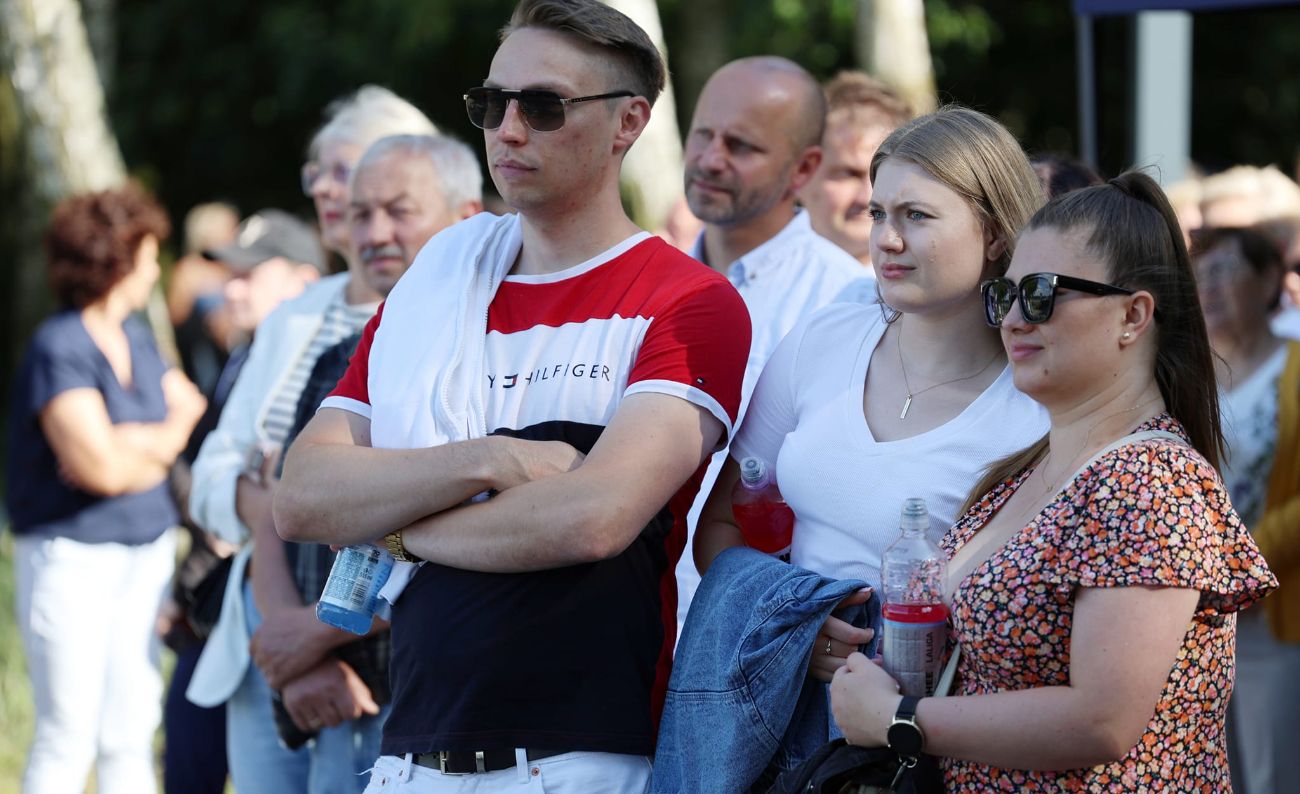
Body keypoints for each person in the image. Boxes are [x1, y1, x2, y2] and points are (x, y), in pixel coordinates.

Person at [274, 1, 750, 790]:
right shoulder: (437, 282)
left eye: (544, 105)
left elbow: (593, 520)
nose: (509, 130)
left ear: (629, 121)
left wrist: (393, 529)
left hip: (581, 757)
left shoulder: (688, 301)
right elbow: (301, 497)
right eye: (492, 104)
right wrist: (491, 461)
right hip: (408, 755)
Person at [830, 172, 1278, 791]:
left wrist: (900, 719)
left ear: (1132, 315)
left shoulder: (1149, 482)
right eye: (1005, 295)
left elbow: (1101, 721)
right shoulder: (1026, 471)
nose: (1013, 319)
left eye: (1041, 294)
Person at [693, 105, 1048, 684]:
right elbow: (721, 524)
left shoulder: (1038, 398)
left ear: (994, 233)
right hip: (778, 695)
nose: (886, 239)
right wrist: (787, 627)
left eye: (916, 216)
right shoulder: (822, 339)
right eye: (878, 213)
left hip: (934, 713)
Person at [186, 88, 438, 794]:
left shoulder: (448, 319)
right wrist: (287, 636)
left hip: (384, 646)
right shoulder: (297, 316)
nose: (327, 189)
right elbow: (213, 471)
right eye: (317, 173)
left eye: (346, 170)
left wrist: (318, 637)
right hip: (263, 626)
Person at [260, 132, 483, 751]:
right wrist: (292, 646)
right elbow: (278, 505)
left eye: (399, 211)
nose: (376, 233)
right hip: (313, 685)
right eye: (360, 214)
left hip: (414, 689)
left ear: (467, 217)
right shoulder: (337, 355)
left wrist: (317, 635)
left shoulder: (494, 354)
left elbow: (491, 528)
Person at [6, 185, 207, 794]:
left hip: (145, 556)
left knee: (130, 731)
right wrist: (149, 447)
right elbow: (102, 472)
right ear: (117, 257)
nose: (153, 270)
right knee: (66, 734)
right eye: (146, 254)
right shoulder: (60, 345)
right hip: (72, 559)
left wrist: (128, 443)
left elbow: (188, 409)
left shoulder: (138, 338)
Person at [676, 56, 869, 637]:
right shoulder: (647, 282)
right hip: (637, 626)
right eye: (703, 134)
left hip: (760, 639)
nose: (711, 159)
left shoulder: (846, 303)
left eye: (741, 146)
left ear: (803, 167)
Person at [161, 208, 327, 794]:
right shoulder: (244, 357)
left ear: (305, 282)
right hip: (224, 599)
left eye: (248, 275)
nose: (231, 290)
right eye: (229, 276)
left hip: (300, 611)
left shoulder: (324, 363)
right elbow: (197, 467)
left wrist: (242, 493)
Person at [1190, 226, 1300, 794]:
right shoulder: (1184, 379)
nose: (1209, 286)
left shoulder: (1295, 368)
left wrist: (1246, 566)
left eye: (1225, 270)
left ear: (1268, 280)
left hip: (1274, 617)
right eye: (1200, 274)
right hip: (1194, 617)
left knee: (1271, 772)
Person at [799, 70, 911, 267]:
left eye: (884, 175)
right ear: (801, 174)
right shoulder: (757, 275)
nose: (868, 197)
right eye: (849, 174)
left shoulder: (939, 283)